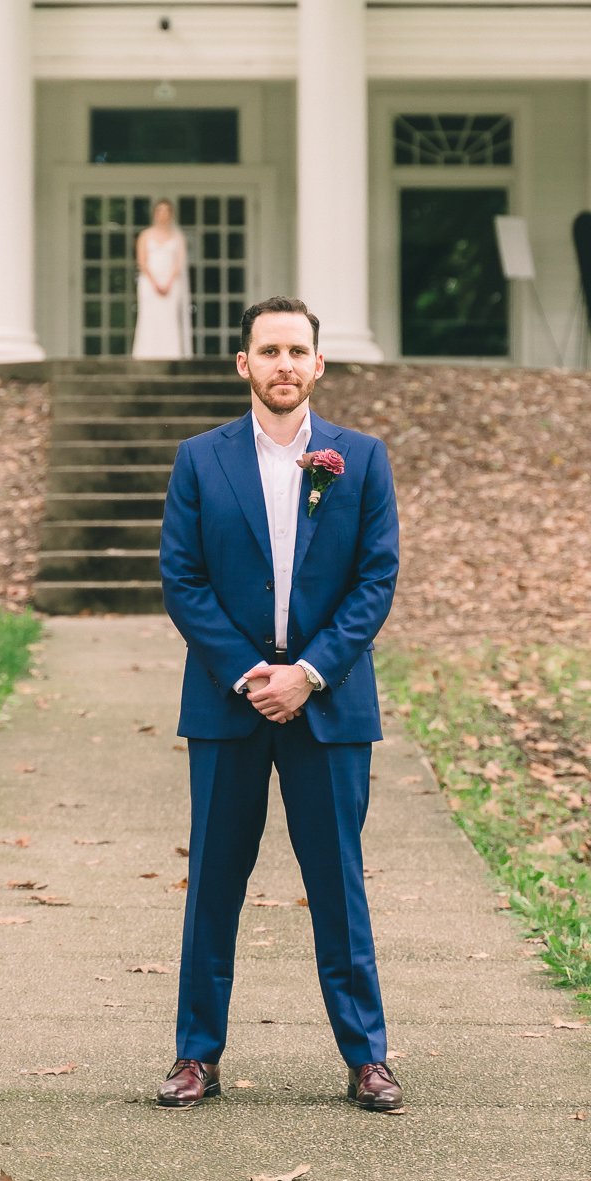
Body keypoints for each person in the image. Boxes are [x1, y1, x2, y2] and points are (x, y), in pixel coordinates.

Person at [156, 297, 402, 1113]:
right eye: (269, 351)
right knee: (214, 885)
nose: (284, 365)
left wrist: (310, 672)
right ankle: (196, 1056)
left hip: (329, 707)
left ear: (319, 364)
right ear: (243, 365)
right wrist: (250, 674)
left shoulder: (359, 459)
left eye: (298, 350)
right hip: (229, 705)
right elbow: (182, 580)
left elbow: (375, 581)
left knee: (337, 881)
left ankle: (366, 1056)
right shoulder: (199, 459)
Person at [131, 199, 192, 358]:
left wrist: (168, 282)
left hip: (171, 283)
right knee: (149, 317)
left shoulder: (178, 236)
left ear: (171, 214)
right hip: (150, 282)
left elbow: (179, 262)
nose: (163, 215)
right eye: (160, 211)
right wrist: (155, 283)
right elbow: (142, 261)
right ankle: (146, 354)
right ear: (154, 213)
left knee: (169, 319)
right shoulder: (145, 235)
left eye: (166, 211)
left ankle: (171, 354)